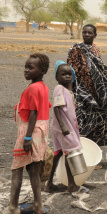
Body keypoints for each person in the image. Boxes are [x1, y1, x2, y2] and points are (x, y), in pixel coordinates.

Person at [7, 54, 51, 214]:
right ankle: (38, 205)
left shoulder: (33, 88)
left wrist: (27, 137)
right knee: (33, 169)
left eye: (30, 68)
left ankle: (12, 207)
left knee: (17, 168)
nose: (26, 70)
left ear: (43, 70)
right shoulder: (43, 87)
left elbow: (33, 113)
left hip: (29, 131)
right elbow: (45, 106)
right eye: (25, 67)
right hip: (40, 131)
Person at [67, 24, 107, 146]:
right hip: (81, 91)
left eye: (90, 33)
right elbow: (70, 72)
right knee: (82, 120)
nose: (87, 34)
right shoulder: (75, 49)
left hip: (96, 92)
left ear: (95, 35)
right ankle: (80, 149)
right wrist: (71, 92)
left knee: (96, 120)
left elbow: (100, 69)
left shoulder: (96, 49)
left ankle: (91, 149)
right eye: (85, 32)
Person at [45, 61, 82, 193]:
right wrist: (63, 127)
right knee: (70, 152)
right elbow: (56, 108)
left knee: (58, 153)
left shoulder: (68, 90)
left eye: (69, 74)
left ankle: (49, 184)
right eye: (63, 74)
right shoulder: (59, 89)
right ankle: (71, 185)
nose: (67, 76)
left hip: (62, 126)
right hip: (63, 127)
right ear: (57, 76)